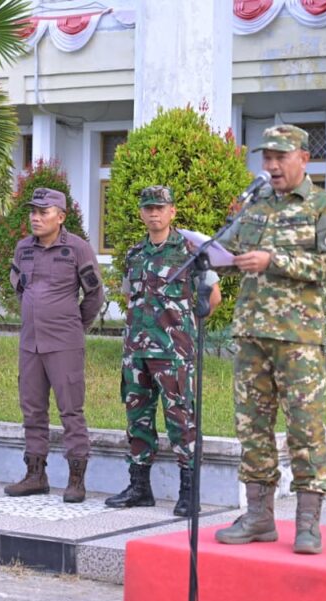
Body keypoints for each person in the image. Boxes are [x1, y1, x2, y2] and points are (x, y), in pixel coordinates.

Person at [213, 124, 326, 554]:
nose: (271, 166)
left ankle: (308, 524)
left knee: (305, 429)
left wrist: (274, 260)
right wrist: (212, 256)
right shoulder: (254, 205)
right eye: (266, 157)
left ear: (303, 159)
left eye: (280, 157)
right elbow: (227, 251)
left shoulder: (323, 206)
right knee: (252, 428)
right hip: (252, 334)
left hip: (298, 338)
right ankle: (258, 517)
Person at [106, 185, 221, 514]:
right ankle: (139, 487)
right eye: (148, 208)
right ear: (142, 213)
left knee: (181, 421)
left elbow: (213, 298)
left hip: (173, 353)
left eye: (160, 207)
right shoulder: (134, 254)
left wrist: (183, 328)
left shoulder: (191, 252)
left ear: (172, 211)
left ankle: (188, 492)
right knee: (137, 420)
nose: (154, 213)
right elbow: (129, 295)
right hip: (136, 351)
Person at [4, 188, 105, 503]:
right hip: (30, 343)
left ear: (60, 217)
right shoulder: (23, 248)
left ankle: (76, 480)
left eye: (43, 212)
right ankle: (35, 475)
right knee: (32, 409)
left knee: (71, 410)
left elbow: (95, 294)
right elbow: (19, 288)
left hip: (64, 343)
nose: (35, 217)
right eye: (33, 211)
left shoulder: (77, 248)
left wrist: (74, 325)